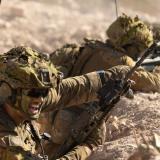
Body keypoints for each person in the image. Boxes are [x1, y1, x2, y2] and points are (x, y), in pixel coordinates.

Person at [0, 46, 131, 160]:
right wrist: (88, 146)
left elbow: (65, 92)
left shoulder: (19, 102)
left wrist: (112, 77)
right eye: (34, 93)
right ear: (7, 91)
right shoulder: (7, 145)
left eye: (44, 92)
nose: (40, 99)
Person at [50, 13, 160, 93]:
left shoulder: (91, 46)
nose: (139, 54)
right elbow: (149, 82)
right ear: (129, 44)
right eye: (139, 49)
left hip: (54, 114)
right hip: (78, 120)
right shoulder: (122, 61)